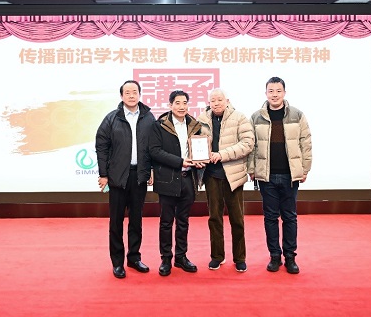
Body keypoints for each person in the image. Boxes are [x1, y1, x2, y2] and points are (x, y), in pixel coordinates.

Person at [248, 76, 312, 274]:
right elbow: (251, 146)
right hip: (266, 176)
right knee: (270, 218)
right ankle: (274, 256)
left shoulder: (297, 115)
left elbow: (306, 143)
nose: (274, 95)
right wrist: (252, 169)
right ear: (265, 93)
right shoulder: (256, 117)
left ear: (284, 93)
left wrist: (305, 169)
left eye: (278, 91)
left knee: (290, 217)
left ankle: (290, 257)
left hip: (290, 175)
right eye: (271, 91)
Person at [95, 80, 156, 279]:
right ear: (121, 96)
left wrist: (151, 169)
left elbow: (154, 147)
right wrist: (103, 174)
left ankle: (134, 258)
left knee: (136, 220)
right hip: (117, 177)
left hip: (139, 175)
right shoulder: (111, 118)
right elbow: (101, 146)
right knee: (116, 221)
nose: (131, 95)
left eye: (134, 92)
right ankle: (117, 262)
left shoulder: (148, 117)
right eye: (127, 92)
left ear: (140, 94)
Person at [197, 88, 254, 272]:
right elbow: (194, 143)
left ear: (227, 101)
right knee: (214, 218)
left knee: (237, 219)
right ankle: (217, 256)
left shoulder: (239, 118)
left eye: (219, 100)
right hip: (211, 176)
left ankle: (240, 257)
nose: (216, 103)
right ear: (209, 102)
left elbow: (248, 144)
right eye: (213, 100)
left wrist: (222, 154)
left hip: (233, 176)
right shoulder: (201, 120)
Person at [148, 89, 205, 277]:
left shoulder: (194, 125)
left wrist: (200, 160)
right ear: (170, 105)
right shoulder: (160, 125)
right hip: (168, 178)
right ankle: (166, 258)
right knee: (166, 222)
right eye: (177, 103)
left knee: (183, 221)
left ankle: (181, 256)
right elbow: (155, 151)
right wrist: (180, 162)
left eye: (185, 103)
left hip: (188, 179)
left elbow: (199, 149)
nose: (182, 107)